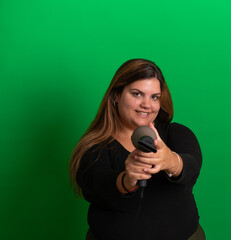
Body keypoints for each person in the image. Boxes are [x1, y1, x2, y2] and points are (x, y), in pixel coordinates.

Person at [69, 59, 205, 240]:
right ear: (116, 95)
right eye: (137, 94)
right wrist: (126, 180)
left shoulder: (176, 134)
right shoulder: (96, 147)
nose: (147, 105)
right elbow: (94, 183)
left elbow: (192, 166)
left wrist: (170, 161)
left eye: (154, 97)